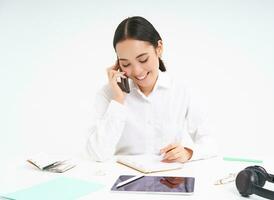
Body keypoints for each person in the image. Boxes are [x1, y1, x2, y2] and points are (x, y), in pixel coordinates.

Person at [86, 16, 217, 163]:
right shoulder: (109, 94)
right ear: (117, 64)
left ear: (159, 48)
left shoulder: (182, 90)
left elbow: (210, 143)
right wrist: (118, 100)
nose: (137, 71)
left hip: (168, 179)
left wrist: (188, 152)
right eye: (125, 64)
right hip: (123, 177)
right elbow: (97, 154)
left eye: (143, 60)